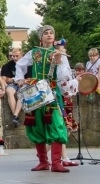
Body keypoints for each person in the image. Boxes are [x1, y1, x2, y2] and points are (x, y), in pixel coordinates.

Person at [15, 25, 77, 173]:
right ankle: (43, 162)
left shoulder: (59, 54)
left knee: (56, 124)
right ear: (41, 37)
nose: (49, 35)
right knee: (36, 125)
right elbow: (19, 64)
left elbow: (64, 76)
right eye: (46, 33)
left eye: (51, 33)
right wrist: (20, 79)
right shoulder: (33, 52)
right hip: (35, 92)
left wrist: (58, 61)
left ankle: (56, 163)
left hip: (52, 93)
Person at [0, 48, 23, 128]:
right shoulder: (7, 65)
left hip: (23, 85)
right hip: (12, 85)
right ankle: (14, 116)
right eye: (13, 56)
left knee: (22, 92)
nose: (14, 58)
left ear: (22, 55)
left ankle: (15, 115)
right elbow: (4, 80)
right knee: (8, 91)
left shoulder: (26, 64)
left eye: (17, 56)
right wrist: (12, 81)